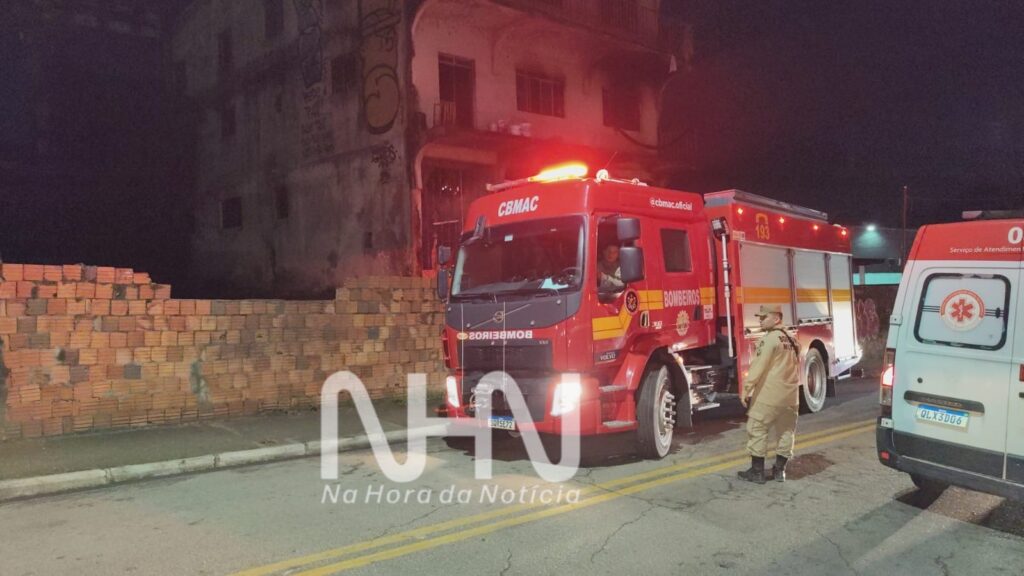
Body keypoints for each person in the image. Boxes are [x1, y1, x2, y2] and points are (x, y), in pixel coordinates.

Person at [737, 304, 801, 484]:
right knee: (786, 432)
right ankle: (780, 471)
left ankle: (757, 472)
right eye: (759, 317)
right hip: (791, 397)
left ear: (777, 319)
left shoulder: (769, 340)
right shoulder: (793, 340)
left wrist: (747, 388)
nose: (760, 320)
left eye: (764, 317)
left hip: (770, 395)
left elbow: (758, 366)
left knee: (757, 429)